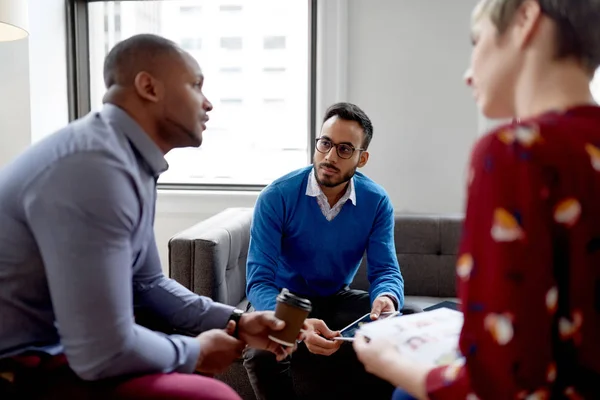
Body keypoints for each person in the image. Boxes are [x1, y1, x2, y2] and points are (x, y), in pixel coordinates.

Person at [0, 34, 302, 400]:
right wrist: (195, 353)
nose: (208, 104)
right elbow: (102, 351)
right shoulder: (94, 167)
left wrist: (235, 321)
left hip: (61, 349)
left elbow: (147, 284)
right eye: (195, 85)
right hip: (19, 363)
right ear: (148, 86)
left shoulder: (123, 160)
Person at [353, 0, 600, 399]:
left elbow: (495, 385)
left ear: (525, 18)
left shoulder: (514, 152)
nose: (468, 73)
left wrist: (389, 360)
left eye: (477, 40)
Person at [243, 102, 405, 399]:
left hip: (334, 297)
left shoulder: (377, 202)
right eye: (325, 143)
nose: (330, 156)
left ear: (362, 158)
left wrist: (386, 297)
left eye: (344, 149)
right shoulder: (276, 196)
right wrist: (297, 323)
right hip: (284, 298)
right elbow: (259, 280)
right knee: (260, 354)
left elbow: (386, 271)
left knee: (405, 325)